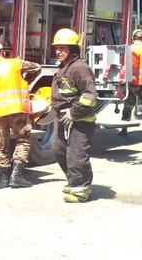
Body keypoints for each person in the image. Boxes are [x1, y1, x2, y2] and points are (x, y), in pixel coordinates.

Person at [0, 42, 41, 189]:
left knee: (0, 144)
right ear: (2, 52)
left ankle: (3, 179)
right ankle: (16, 176)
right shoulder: (16, 64)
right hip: (17, 109)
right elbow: (37, 67)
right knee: (23, 140)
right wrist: (26, 80)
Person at [50, 28, 98, 203]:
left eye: (63, 48)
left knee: (77, 155)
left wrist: (73, 112)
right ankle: (74, 181)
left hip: (80, 121)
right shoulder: (63, 68)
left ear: (73, 50)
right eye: (57, 48)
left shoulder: (80, 68)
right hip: (63, 119)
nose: (58, 52)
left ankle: (81, 189)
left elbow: (90, 96)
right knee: (59, 151)